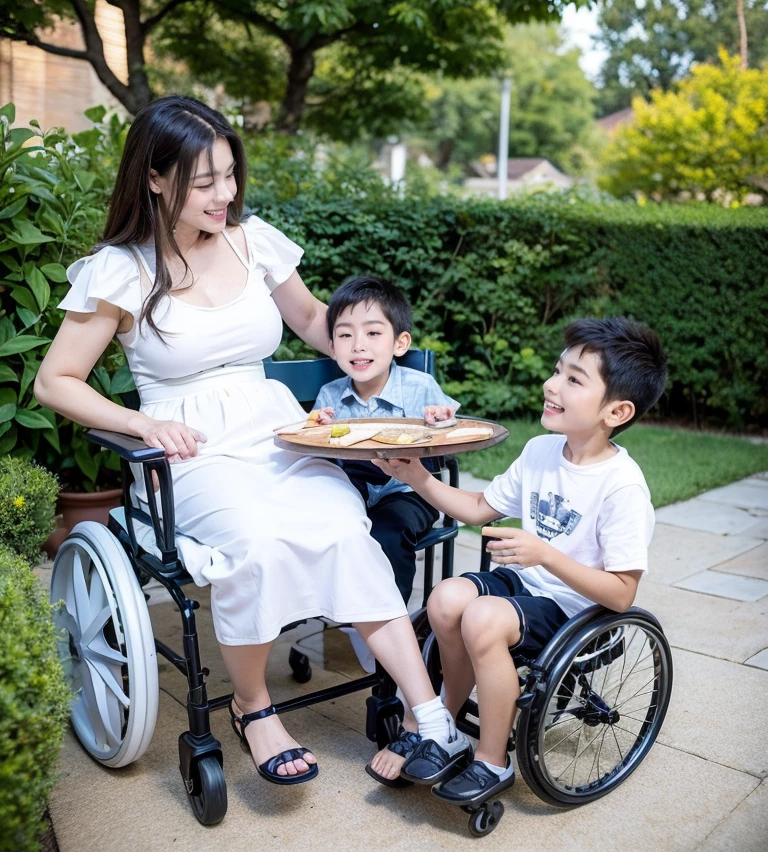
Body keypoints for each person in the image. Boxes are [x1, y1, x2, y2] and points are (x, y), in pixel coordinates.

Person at [34, 95, 470, 789]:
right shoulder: (121, 269)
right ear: (155, 177)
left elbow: (313, 320)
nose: (225, 194)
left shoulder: (251, 238)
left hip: (276, 430)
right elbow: (56, 382)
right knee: (256, 546)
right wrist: (143, 424)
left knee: (341, 529)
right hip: (190, 446)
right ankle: (253, 704)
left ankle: (430, 717)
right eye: (204, 181)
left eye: (230, 175)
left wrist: (405, 378)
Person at [366, 316, 667, 802]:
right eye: (556, 370)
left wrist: (544, 553)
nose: (552, 384)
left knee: (482, 618)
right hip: (529, 585)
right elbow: (481, 508)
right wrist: (418, 476)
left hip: (577, 608)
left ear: (616, 410)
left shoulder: (622, 486)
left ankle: (492, 760)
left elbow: (622, 592)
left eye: (573, 379)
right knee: (444, 599)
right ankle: (443, 726)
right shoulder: (541, 450)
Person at [312, 276, 459, 606]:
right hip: (352, 488)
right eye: (345, 334)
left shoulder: (419, 386)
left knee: (389, 534)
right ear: (332, 346)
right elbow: (314, 448)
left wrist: (440, 420)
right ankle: (342, 611)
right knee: (330, 528)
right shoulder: (330, 395)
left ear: (400, 343)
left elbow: (451, 429)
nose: (358, 345)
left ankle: (389, 618)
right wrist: (318, 427)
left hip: (410, 490)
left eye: (373, 333)